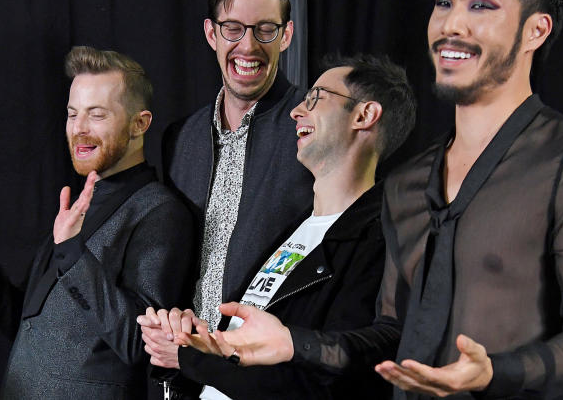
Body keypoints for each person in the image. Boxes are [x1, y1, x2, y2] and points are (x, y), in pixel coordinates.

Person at [192, 0, 563, 400]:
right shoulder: (407, 186)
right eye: (444, 2)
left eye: (482, 6)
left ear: (536, 29)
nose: (452, 24)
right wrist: (293, 344)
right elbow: (386, 335)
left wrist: (495, 372)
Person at [140, 54, 417, 399]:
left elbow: (325, 381)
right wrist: (197, 342)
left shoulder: (381, 241)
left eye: (316, 98)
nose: (296, 111)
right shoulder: (294, 229)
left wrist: (192, 359)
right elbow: (245, 353)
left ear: (364, 115)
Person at [0, 46, 195, 399]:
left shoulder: (160, 212)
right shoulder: (79, 208)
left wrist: (74, 255)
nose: (79, 128)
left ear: (140, 124)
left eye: (97, 115)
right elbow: (29, 328)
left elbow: (139, 342)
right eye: (72, 114)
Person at [160, 0, 314, 333]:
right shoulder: (180, 138)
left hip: (268, 361)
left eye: (265, 29)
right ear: (212, 34)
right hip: (190, 357)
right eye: (233, 28)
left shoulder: (310, 126)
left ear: (286, 35)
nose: (248, 46)